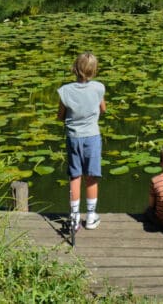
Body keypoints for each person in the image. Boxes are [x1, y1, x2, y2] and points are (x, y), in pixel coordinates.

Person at [57, 52, 106, 233]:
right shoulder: (99, 88)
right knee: (92, 176)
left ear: (75, 69)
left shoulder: (65, 91)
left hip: (73, 138)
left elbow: (60, 115)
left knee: (75, 176)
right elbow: (103, 109)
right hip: (92, 137)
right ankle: (91, 217)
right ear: (94, 71)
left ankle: (75, 217)